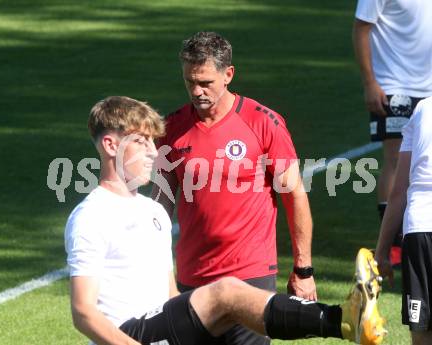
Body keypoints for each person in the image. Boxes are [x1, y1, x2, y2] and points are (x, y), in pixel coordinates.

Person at [66, 96, 386, 345]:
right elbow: (83, 312)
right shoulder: (91, 215)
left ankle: (346, 321)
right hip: (129, 333)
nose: (153, 152)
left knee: (235, 310)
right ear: (110, 145)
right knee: (227, 291)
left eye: (153, 142)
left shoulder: (154, 212)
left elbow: (170, 297)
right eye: (141, 141)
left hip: (162, 325)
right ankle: (343, 319)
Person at [151, 31, 315, 345]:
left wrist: (303, 268)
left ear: (228, 74)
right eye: (189, 82)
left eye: (205, 82)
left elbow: (294, 196)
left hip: (249, 274)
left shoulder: (263, 123)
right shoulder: (171, 129)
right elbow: (160, 199)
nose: (197, 91)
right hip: (191, 275)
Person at [352, 0, 432, 266]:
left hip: (429, 88)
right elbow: (361, 29)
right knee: (397, 161)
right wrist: (370, 83)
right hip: (393, 86)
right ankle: (393, 246)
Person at [375, 97, 432, 345]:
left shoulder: (422, 109)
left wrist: (382, 252)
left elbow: (398, 191)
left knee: (422, 333)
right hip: (419, 226)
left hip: (419, 230)